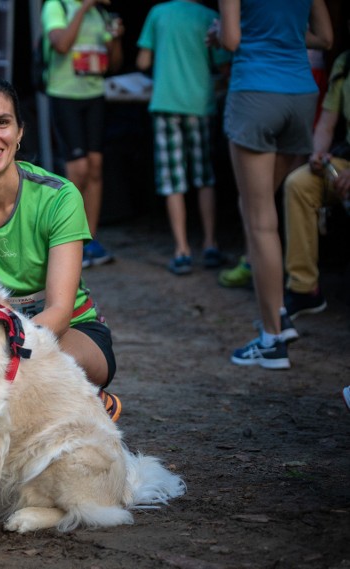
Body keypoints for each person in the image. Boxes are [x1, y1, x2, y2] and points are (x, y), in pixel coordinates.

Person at [0, 75, 120, 419]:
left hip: (67, 331)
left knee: (5, 378)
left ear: (19, 132)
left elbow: (59, 311)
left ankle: (73, 397)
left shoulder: (59, 196)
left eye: (2, 122)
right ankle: (76, 401)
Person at [211, 0, 332, 369]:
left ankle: (272, 338)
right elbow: (326, 38)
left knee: (260, 220)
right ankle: (279, 311)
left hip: (256, 92)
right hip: (300, 95)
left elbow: (231, 40)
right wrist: (286, 36)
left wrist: (217, 33)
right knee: (256, 210)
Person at [137, 0, 229, 276]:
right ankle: (210, 244)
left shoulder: (158, 12)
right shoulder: (210, 16)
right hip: (200, 104)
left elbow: (142, 61)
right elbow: (225, 68)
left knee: (172, 180)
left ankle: (182, 250)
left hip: (166, 103)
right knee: (204, 177)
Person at [42, 0, 123, 268]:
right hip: (65, 94)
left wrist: (115, 39)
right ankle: (70, 241)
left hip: (94, 93)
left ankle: (91, 240)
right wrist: (83, 7)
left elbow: (114, 64)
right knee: (77, 169)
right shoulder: (57, 6)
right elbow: (61, 45)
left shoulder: (101, 13)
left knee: (96, 166)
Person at [282, 44, 350, 320]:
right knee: (299, 183)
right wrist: (318, 152)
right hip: (345, 163)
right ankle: (304, 288)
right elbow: (326, 124)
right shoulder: (344, 63)